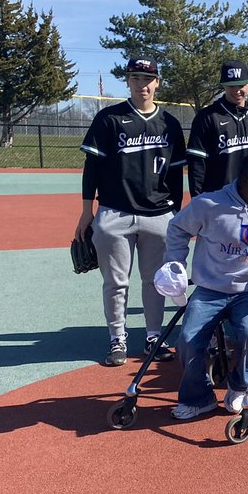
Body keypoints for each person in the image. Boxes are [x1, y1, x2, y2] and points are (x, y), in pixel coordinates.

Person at [162, 153, 248, 419]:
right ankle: (198, 398)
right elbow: (177, 228)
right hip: (210, 290)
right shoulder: (208, 204)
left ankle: (239, 385)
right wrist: (175, 265)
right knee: (188, 340)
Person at [76, 55, 186, 366]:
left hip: (159, 214)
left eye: (148, 79)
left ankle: (154, 336)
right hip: (115, 213)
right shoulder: (110, 118)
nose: (142, 84)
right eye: (136, 78)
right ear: (128, 81)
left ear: (157, 83)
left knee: (155, 280)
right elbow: (91, 168)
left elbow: (176, 174)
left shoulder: (170, 124)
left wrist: (175, 214)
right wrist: (87, 212)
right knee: (116, 282)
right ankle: (117, 339)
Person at [186, 60, 248, 196]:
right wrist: (198, 202)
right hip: (218, 201)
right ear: (223, 86)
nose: (236, 90)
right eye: (231, 85)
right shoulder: (207, 118)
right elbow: (197, 166)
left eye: (240, 85)